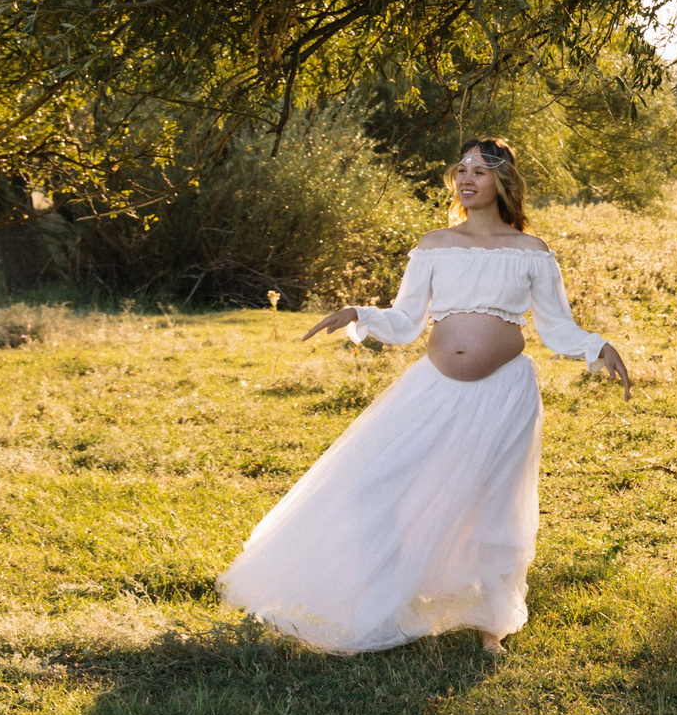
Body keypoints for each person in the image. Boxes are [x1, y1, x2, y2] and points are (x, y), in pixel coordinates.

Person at [218, 137, 633, 654]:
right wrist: (360, 315)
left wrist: (598, 347)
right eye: (461, 169)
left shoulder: (531, 251)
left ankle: (491, 628)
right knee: (379, 483)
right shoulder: (434, 244)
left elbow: (556, 327)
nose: (467, 178)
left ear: (504, 182)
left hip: (504, 392)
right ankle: (380, 599)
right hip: (433, 390)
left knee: (493, 503)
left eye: (481, 171)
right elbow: (406, 319)